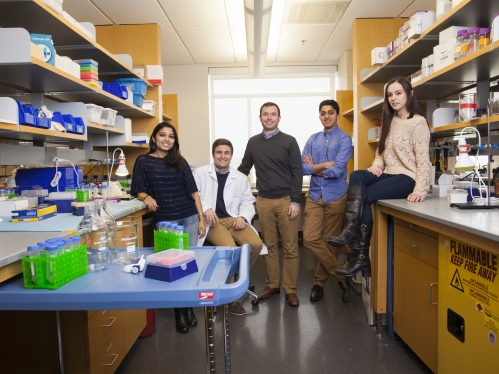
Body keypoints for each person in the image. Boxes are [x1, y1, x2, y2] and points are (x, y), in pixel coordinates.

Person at [328, 76, 432, 277]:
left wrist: (420, 190)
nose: (393, 98)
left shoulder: (418, 123)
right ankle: (351, 234)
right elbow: (381, 152)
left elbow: (423, 159)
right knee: (357, 175)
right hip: (389, 174)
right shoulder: (389, 120)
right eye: (390, 94)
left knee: (366, 195)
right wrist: (376, 165)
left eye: (398, 93)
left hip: (408, 178)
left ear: (410, 94)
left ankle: (358, 252)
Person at [131, 122, 207, 333]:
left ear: (175, 140)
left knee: (188, 264)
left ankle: (188, 307)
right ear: (154, 138)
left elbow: (194, 193)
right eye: (162, 135)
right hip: (166, 220)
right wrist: (146, 197)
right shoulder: (143, 161)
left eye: (171, 136)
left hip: (189, 216)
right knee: (172, 267)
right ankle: (179, 313)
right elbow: (138, 188)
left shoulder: (179, 162)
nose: (166, 139)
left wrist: (200, 218)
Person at [238, 102, 303, 307]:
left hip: (286, 201)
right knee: (270, 246)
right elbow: (243, 169)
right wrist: (225, 183)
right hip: (264, 201)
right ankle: (273, 285)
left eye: (273, 114)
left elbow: (297, 172)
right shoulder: (253, 142)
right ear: (260, 118)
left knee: (291, 247)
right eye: (265, 114)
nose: (269, 117)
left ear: (279, 118)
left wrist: (295, 201)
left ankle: (290, 289)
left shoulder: (289, 141)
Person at [194, 138, 263, 316]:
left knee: (255, 244)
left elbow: (248, 201)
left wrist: (242, 216)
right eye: (219, 152)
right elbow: (194, 196)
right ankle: (233, 299)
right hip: (213, 222)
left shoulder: (240, 177)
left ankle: (238, 278)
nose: (223, 156)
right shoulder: (201, 173)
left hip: (233, 220)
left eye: (227, 153)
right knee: (231, 250)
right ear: (213, 154)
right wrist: (207, 208)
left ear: (231, 156)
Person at [302, 99, 352, 303]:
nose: (327, 116)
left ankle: (318, 284)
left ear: (337, 115)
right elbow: (302, 168)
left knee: (329, 241)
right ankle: (340, 273)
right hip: (314, 195)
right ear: (319, 116)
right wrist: (324, 166)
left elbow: (338, 170)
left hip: (336, 195)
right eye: (323, 113)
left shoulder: (345, 139)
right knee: (310, 238)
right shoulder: (313, 139)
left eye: (331, 112)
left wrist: (316, 168)